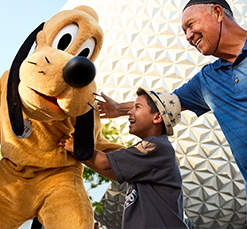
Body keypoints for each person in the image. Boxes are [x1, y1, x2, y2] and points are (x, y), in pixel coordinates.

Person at [98, 0, 247, 227]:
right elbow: (161, 106)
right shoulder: (206, 80)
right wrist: (118, 109)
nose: (188, 36)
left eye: (191, 25)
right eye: (184, 31)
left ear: (217, 13)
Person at [59, 87, 187, 229]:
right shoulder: (156, 149)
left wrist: (76, 147)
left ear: (157, 117)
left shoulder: (154, 147)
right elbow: (114, 172)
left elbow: (104, 162)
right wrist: (80, 155)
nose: (130, 112)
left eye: (137, 107)